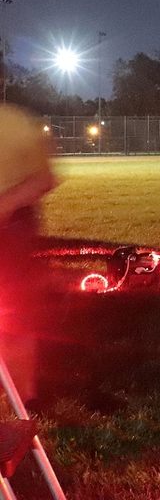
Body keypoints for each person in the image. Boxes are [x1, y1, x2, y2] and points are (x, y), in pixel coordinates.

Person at [0, 104, 58, 407]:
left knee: (15, 313)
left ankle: (24, 397)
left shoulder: (16, 123)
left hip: (11, 229)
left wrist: (7, 203)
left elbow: (45, 177)